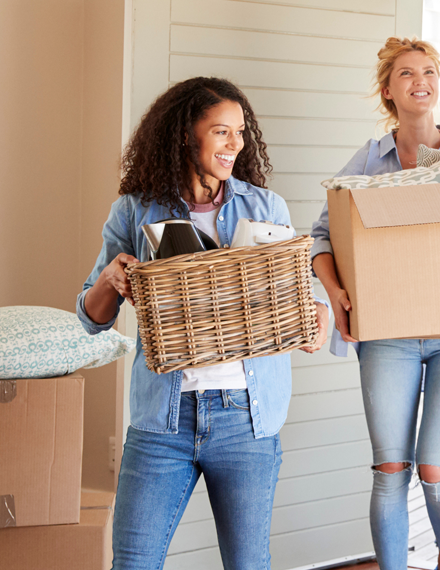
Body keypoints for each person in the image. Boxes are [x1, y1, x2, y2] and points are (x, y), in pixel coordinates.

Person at [77, 76, 329, 570]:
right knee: (133, 562)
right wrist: (111, 278)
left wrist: (317, 310)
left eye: (239, 131)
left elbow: (299, 286)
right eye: (221, 131)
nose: (235, 143)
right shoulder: (134, 210)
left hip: (246, 417)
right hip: (161, 422)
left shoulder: (264, 207)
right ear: (185, 135)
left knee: (247, 563)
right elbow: (91, 319)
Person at [308, 37, 440, 570]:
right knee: (391, 469)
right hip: (388, 334)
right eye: (406, 74)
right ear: (388, 91)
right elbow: (322, 237)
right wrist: (336, 293)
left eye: (428, 71)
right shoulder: (369, 161)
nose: (419, 80)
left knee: (435, 469)